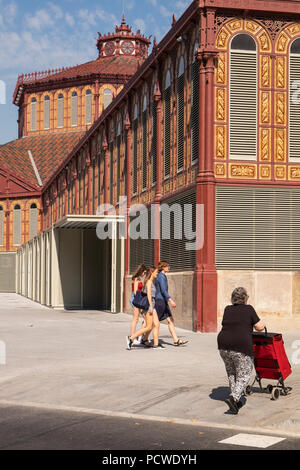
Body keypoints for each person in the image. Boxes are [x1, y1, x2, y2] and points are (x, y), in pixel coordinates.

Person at [217, 287, 265, 414]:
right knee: (244, 374)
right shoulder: (249, 309)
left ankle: (235, 398)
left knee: (232, 372)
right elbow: (259, 327)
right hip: (240, 345)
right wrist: (263, 324)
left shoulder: (228, 309)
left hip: (223, 344)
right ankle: (234, 398)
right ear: (245, 298)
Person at [154, 260, 188, 347]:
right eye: (167, 266)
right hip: (160, 301)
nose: (169, 267)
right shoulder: (161, 276)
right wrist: (170, 300)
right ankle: (140, 338)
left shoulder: (161, 276)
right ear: (163, 267)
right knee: (151, 322)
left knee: (170, 320)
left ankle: (176, 340)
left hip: (162, 301)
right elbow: (163, 290)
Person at [126, 266, 158, 350]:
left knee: (149, 325)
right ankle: (132, 338)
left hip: (147, 303)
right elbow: (147, 294)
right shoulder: (143, 281)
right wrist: (150, 306)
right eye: (156, 272)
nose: (157, 273)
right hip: (143, 302)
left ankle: (142, 339)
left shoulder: (147, 281)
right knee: (142, 322)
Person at [129, 264, 147, 343]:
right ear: (141, 271)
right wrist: (139, 301)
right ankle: (132, 337)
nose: (144, 274)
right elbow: (136, 292)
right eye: (144, 272)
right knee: (135, 319)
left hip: (138, 299)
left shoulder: (137, 278)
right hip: (137, 299)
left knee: (146, 318)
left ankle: (140, 336)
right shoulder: (136, 279)